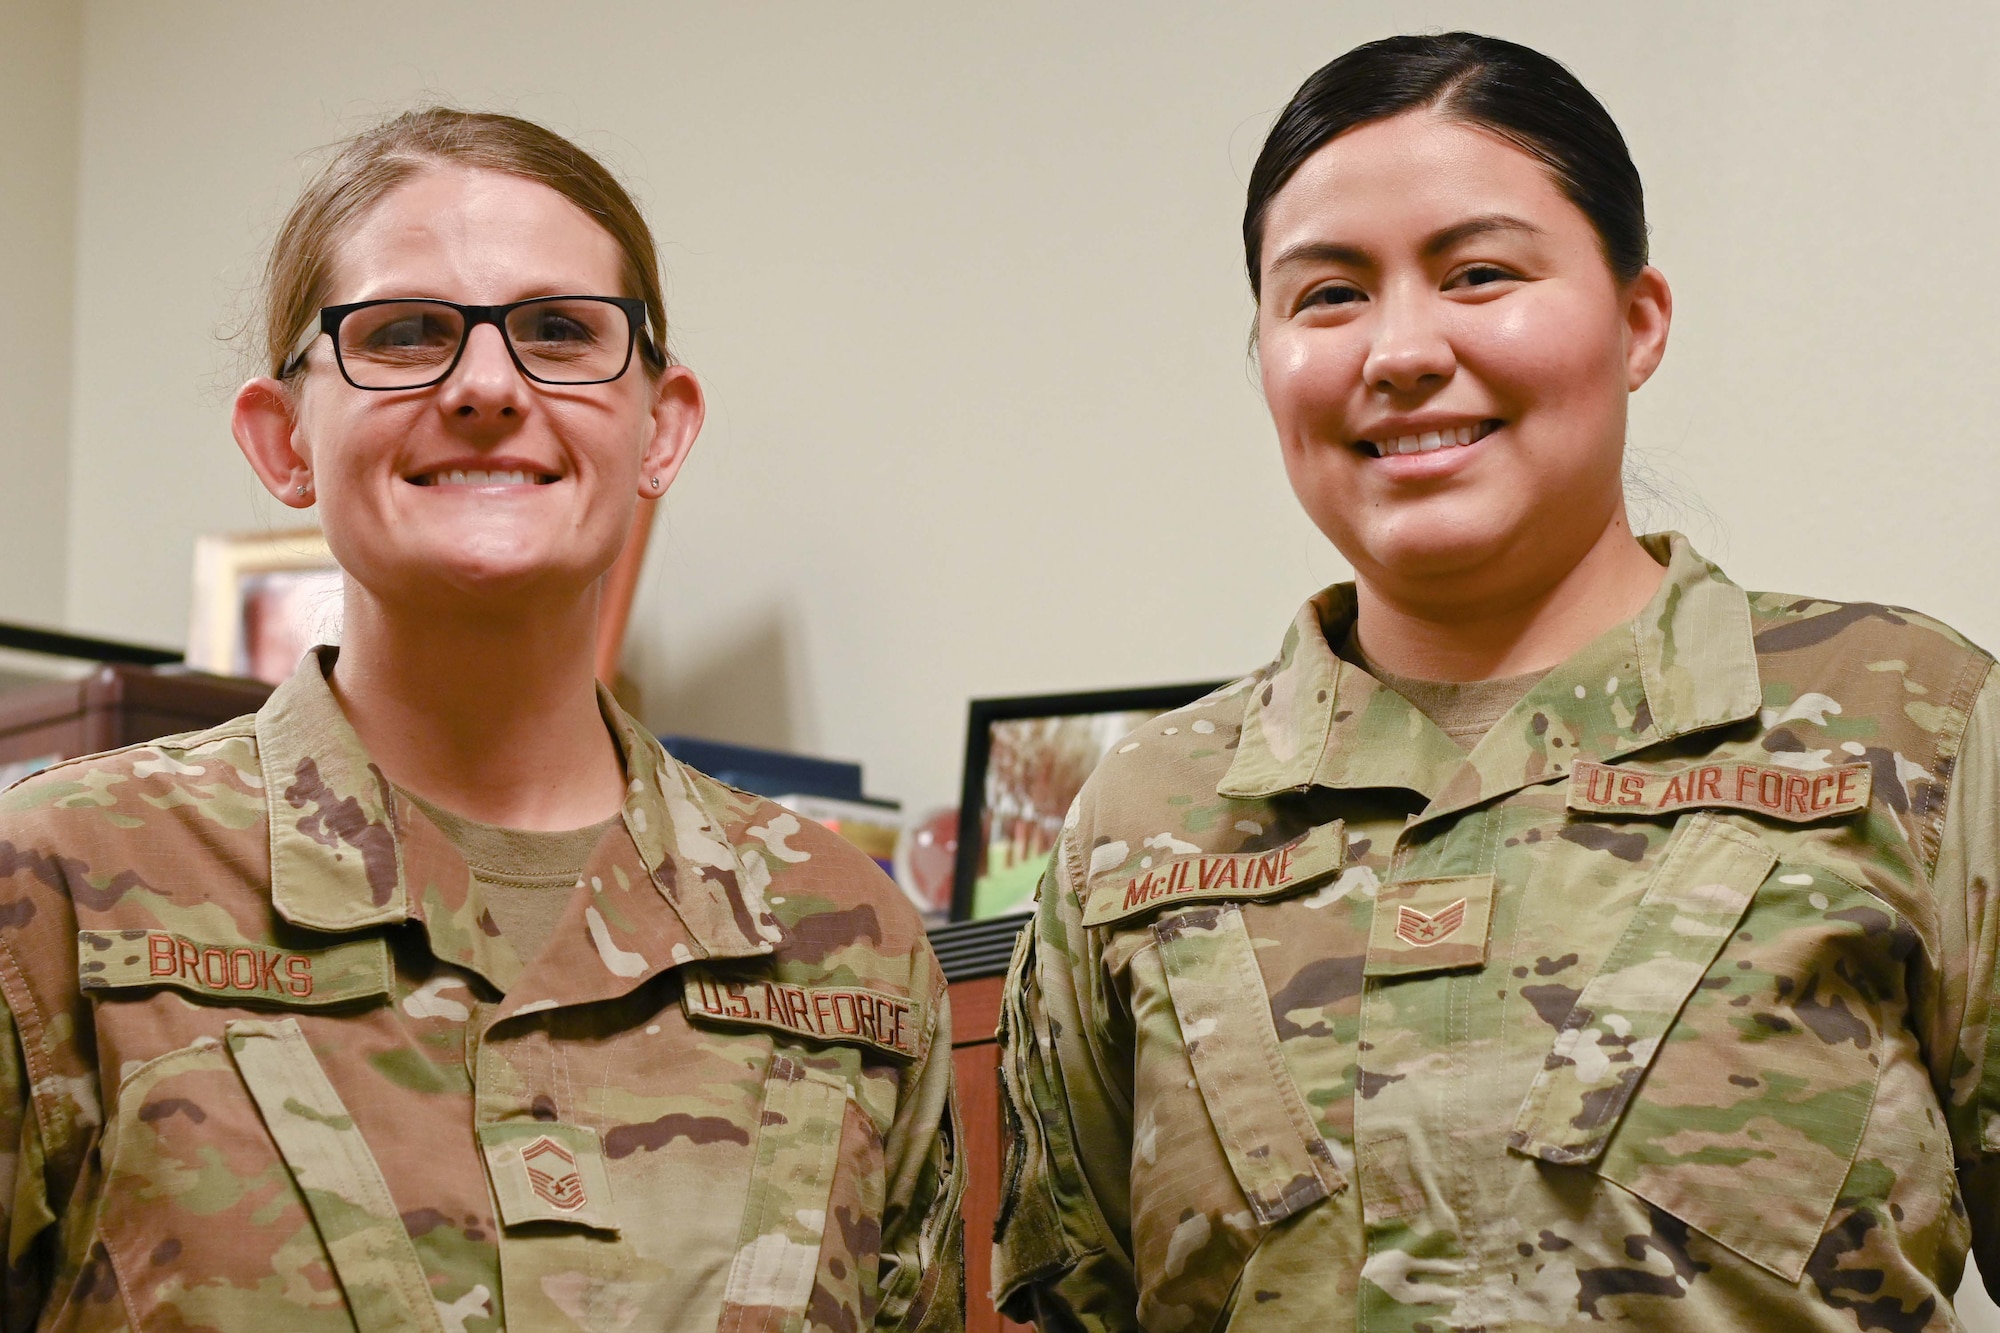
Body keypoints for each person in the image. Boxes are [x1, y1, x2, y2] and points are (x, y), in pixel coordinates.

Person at [993, 31, 2000, 1331]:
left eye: (1478, 273)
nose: (1401, 350)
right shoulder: (1142, 824)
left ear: (1638, 323)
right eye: (1328, 296)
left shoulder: (1909, 724)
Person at [0, 108, 963, 1331]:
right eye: (406, 334)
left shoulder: (842, 937)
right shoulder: (63, 886)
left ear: (660, 426)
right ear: (280, 437)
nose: (489, 387)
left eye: (560, 331)